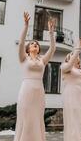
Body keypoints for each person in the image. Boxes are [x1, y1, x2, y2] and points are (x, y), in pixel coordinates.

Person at [14, 12, 56, 141]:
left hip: (39, 90)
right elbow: (21, 43)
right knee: (25, 116)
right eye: (32, 44)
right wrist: (26, 25)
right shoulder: (23, 58)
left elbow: (52, 48)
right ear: (28, 49)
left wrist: (50, 32)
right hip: (26, 90)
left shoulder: (42, 60)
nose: (35, 45)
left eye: (36, 44)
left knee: (37, 117)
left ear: (38, 49)